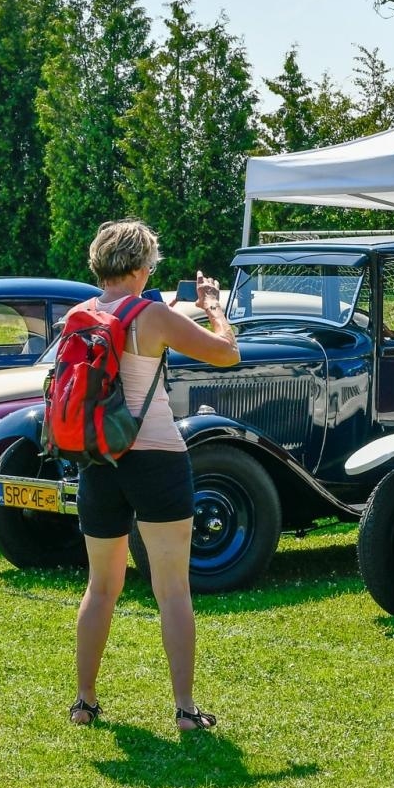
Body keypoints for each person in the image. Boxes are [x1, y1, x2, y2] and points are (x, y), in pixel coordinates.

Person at [68, 220, 240, 730]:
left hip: (99, 458)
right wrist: (214, 308)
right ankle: (185, 709)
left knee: (101, 587)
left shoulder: (80, 315)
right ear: (143, 267)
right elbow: (227, 353)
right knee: (172, 591)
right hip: (157, 457)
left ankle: (84, 702)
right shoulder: (153, 315)